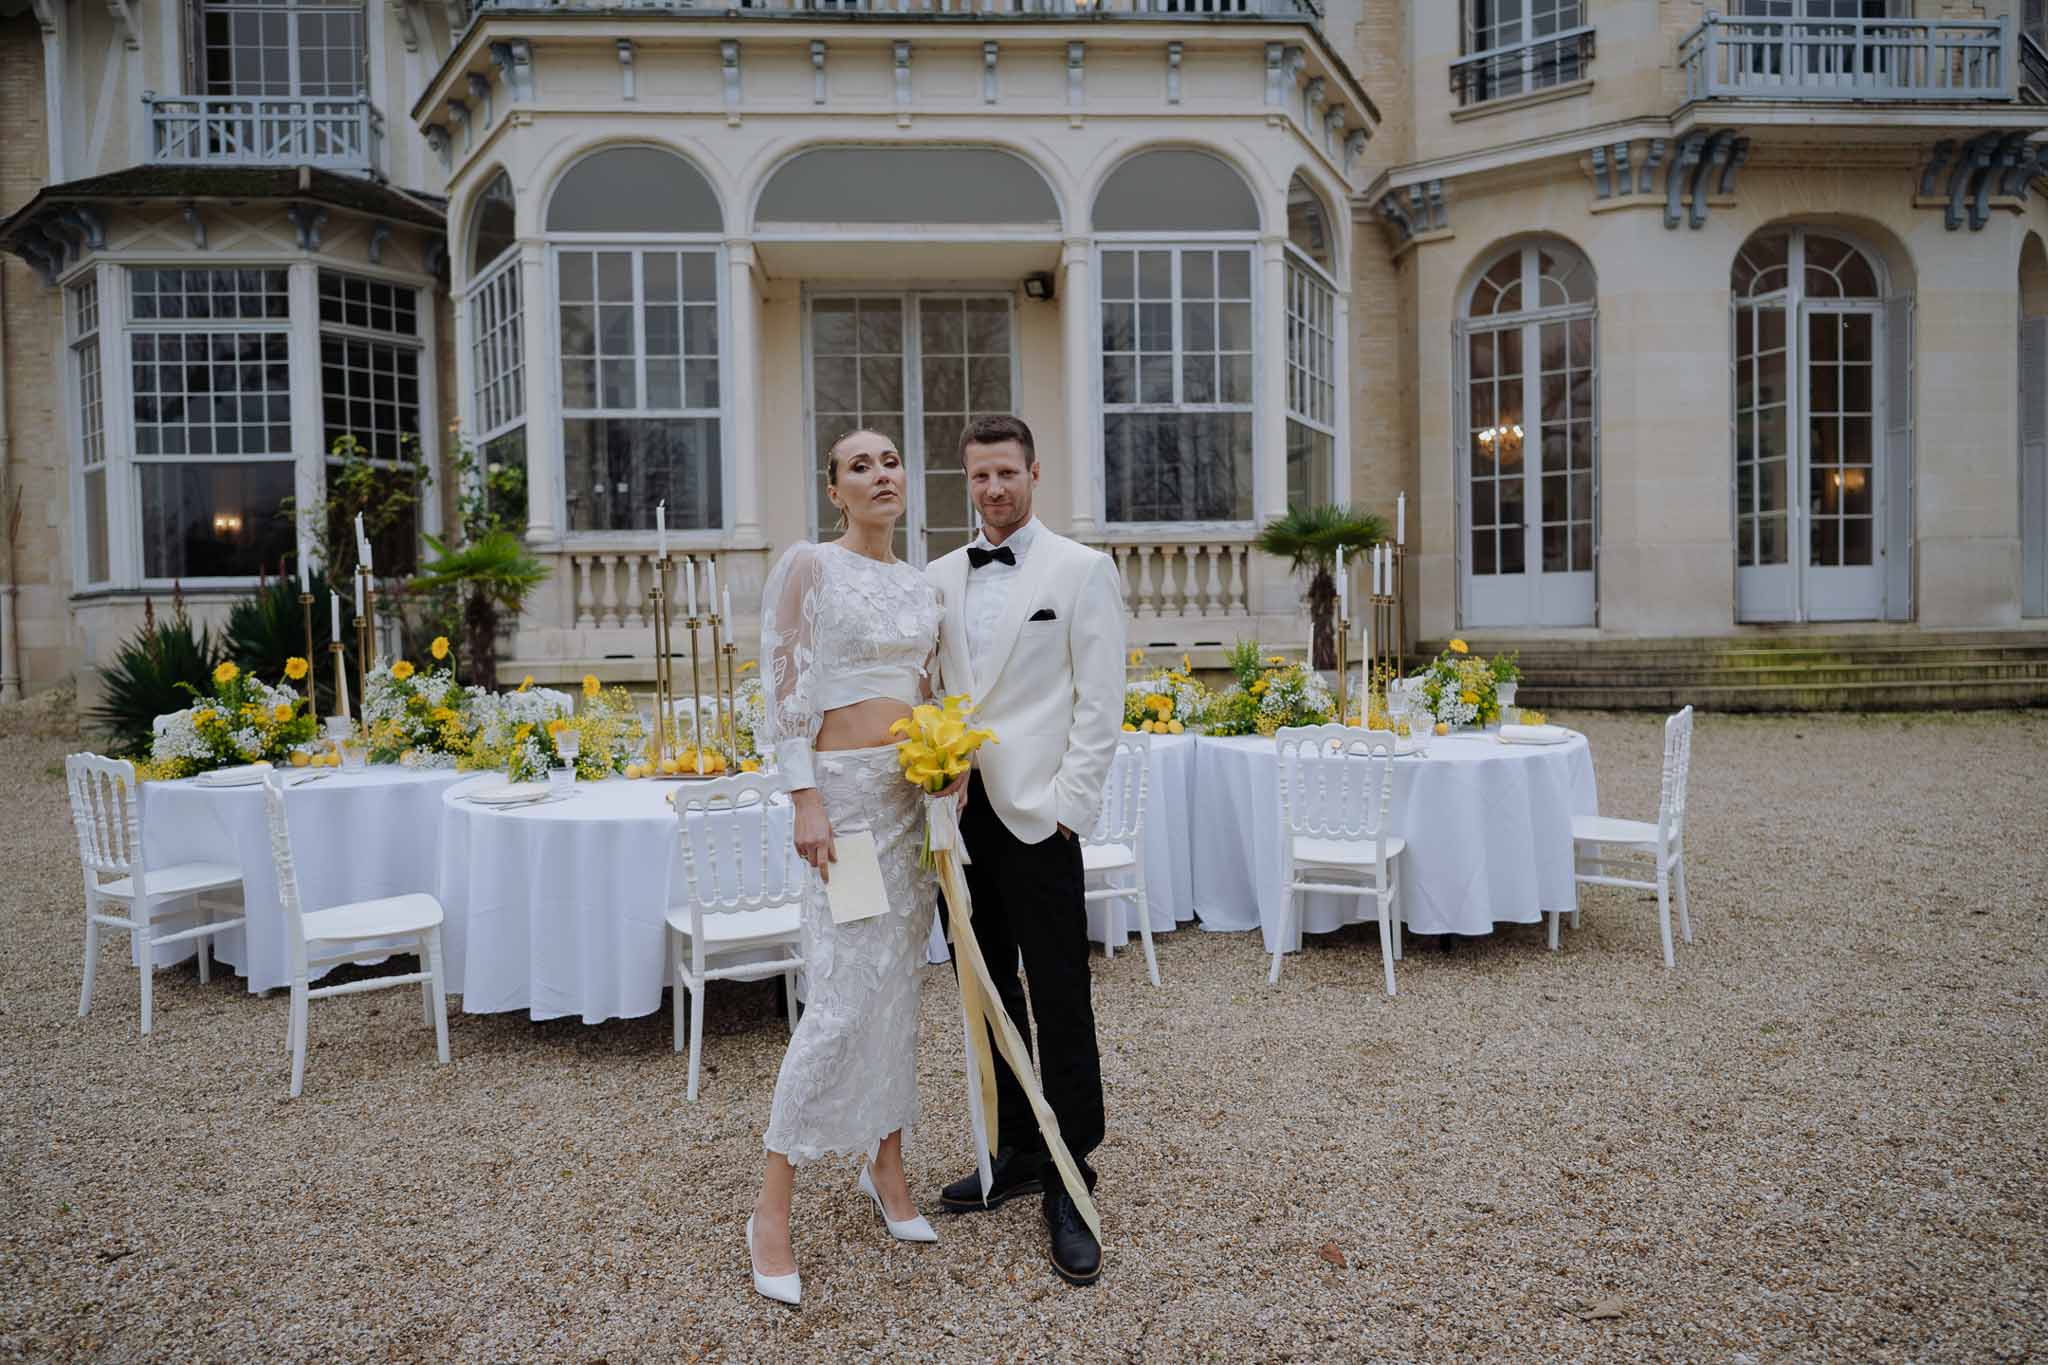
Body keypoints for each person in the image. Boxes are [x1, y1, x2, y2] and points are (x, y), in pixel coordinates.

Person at [747, 429, 963, 1307]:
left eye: (891, 461)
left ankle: (888, 1166)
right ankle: (771, 1205)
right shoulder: (810, 567)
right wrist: (805, 797)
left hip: (912, 801)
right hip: (845, 808)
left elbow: (935, 691)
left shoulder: (923, 585)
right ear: (834, 489)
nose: (881, 474)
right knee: (840, 999)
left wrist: (950, 762)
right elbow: (783, 685)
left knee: (901, 991)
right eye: (859, 465)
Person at [926, 413, 1126, 1286]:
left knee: (1059, 994)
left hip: (1042, 819)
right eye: (979, 477)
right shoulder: (938, 577)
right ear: (965, 481)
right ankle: (1011, 1150)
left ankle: (1070, 1171)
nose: (994, 490)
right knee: (984, 993)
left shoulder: (1081, 570)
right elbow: (930, 689)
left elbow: (1100, 699)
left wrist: (1071, 810)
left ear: (1035, 473)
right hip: (959, 821)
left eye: (1006, 473)